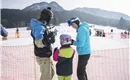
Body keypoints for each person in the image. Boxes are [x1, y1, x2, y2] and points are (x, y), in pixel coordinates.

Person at [30, 7, 55, 80]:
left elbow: (45, 37)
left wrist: (50, 36)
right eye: (50, 18)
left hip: (46, 55)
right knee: (46, 78)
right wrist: (48, 40)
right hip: (43, 56)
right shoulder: (39, 27)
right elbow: (38, 43)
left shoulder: (42, 25)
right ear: (48, 18)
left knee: (51, 73)